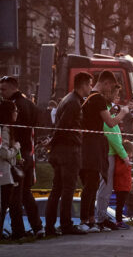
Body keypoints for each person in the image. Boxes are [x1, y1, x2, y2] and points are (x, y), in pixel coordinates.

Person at [80, 70, 130, 233]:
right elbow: (110, 123)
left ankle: (91, 220)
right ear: (106, 83)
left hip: (89, 144)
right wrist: (123, 113)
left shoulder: (90, 98)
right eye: (110, 87)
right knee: (91, 185)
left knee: (93, 184)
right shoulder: (98, 98)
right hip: (93, 146)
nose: (110, 91)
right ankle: (86, 220)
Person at [45, 72, 93, 236]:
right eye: (89, 84)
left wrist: (52, 142)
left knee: (57, 189)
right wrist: (52, 141)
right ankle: (66, 224)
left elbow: (59, 126)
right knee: (67, 189)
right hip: (69, 151)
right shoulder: (74, 103)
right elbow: (63, 127)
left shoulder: (67, 99)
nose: (91, 88)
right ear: (83, 85)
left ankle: (50, 226)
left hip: (60, 151)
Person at [0, 76, 44, 237]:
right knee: (26, 194)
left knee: (14, 197)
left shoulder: (12, 105)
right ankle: (37, 226)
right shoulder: (30, 104)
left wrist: (15, 149)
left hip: (16, 155)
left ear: (13, 88)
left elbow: (11, 133)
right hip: (29, 153)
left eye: (3, 89)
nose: (1, 92)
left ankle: (18, 230)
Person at [95, 84, 129, 231]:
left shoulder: (109, 111)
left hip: (110, 154)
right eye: (116, 95)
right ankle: (101, 217)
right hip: (108, 154)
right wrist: (125, 156)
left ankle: (102, 216)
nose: (117, 98)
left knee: (106, 188)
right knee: (105, 188)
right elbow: (113, 137)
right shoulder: (106, 112)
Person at [0, 100, 23, 239]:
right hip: (4, 174)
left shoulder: (8, 128)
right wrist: (16, 147)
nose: (17, 113)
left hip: (6, 172)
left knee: (4, 206)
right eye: (15, 110)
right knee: (3, 206)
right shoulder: (5, 129)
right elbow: (3, 153)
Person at [113, 141, 133, 230]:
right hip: (120, 186)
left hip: (124, 186)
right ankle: (118, 221)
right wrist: (127, 165)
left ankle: (120, 220)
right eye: (131, 153)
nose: (132, 155)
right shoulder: (121, 160)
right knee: (120, 205)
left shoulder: (125, 160)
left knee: (122, 205)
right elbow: (118, 171)